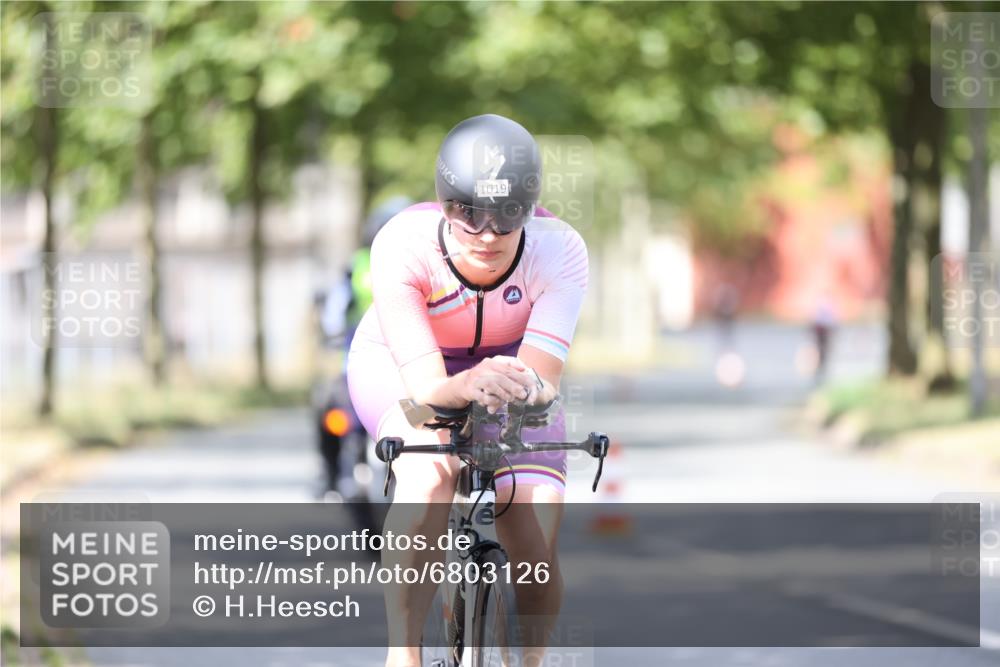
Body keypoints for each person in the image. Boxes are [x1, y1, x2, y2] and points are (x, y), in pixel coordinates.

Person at [346, 114, 589, 667]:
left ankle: (528, 661)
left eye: (507, 218)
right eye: (466, 214)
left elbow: (539, 383)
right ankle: (403, 654)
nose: (485, 234)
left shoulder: (560, 249)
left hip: (512, 375)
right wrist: (463, 386)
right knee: (428, 477)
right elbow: (427, 387)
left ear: (530, 208)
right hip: (403, 363)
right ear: (443, 203)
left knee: (535, 528)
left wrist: (504, 389)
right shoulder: (403, 243)